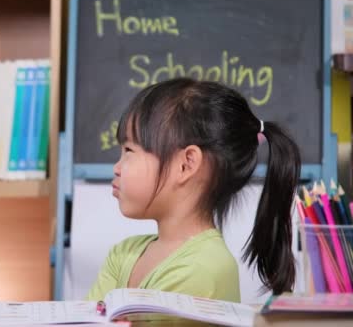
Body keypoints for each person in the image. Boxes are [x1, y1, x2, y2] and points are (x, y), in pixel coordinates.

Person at [87, 78, 301, 304]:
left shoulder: (203, 269)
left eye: (129, 150)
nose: (116, 168)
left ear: (186, 164)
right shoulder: (123, 254)